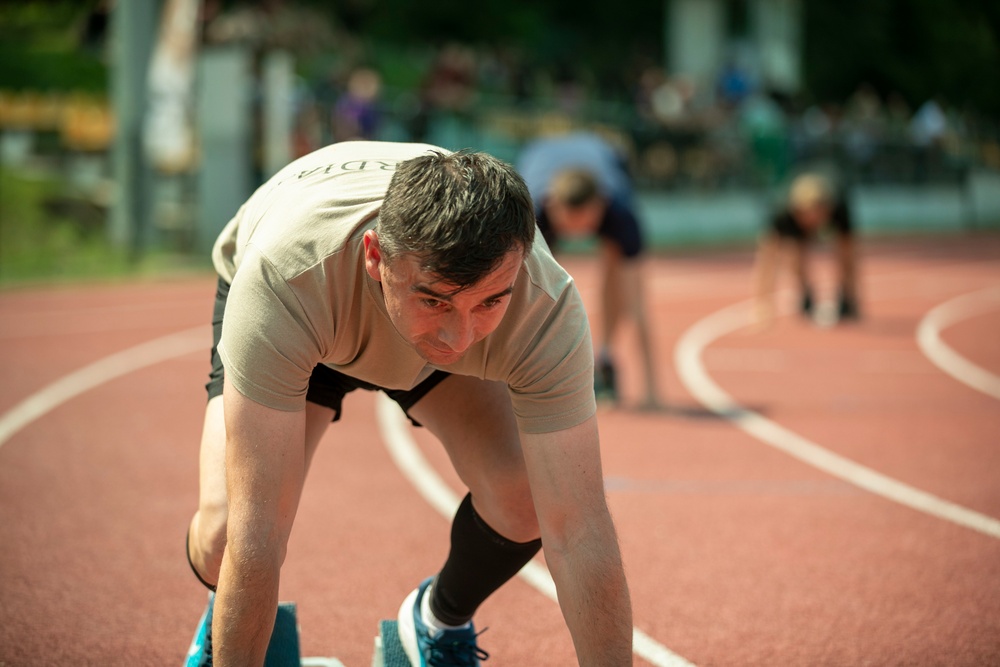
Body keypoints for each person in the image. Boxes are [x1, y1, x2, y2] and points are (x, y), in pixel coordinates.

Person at [184, 141, 632, 666]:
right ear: (376, 256)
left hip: (404, 337)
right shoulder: (285, 276)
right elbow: (256, 532)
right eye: (435, 299)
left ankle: (436, 620)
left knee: (526, 497)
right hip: (309, 312)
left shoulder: (544, 305)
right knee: (228, 535)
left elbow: (579, 529)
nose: (460, 335)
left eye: (491, 301)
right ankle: (226, 614)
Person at [517, 131, 661, 409]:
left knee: (617, 269)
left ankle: (605, 357)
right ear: (554, 205)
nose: (578, 232)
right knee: (534, 283)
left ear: (600, 205)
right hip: (538, 154)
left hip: (606, 154)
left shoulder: (619, 212)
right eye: (570, 222)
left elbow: (638, 305)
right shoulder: (531, 212)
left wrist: (653, 392)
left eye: (585, 222)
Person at [752, 172, 860, 327]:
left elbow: (849, 255)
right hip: (793, 224)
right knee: (794, 255)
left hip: (832, 199)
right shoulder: (783, 215)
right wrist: (763, 304)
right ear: (797, 211)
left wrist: (852, 295)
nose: (812, 220)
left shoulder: (839, 208)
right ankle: (806, 293)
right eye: (806, 214)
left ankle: (847, 298)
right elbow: (767, 262)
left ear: (826, 209)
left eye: (816, 213)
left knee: (845, 256)